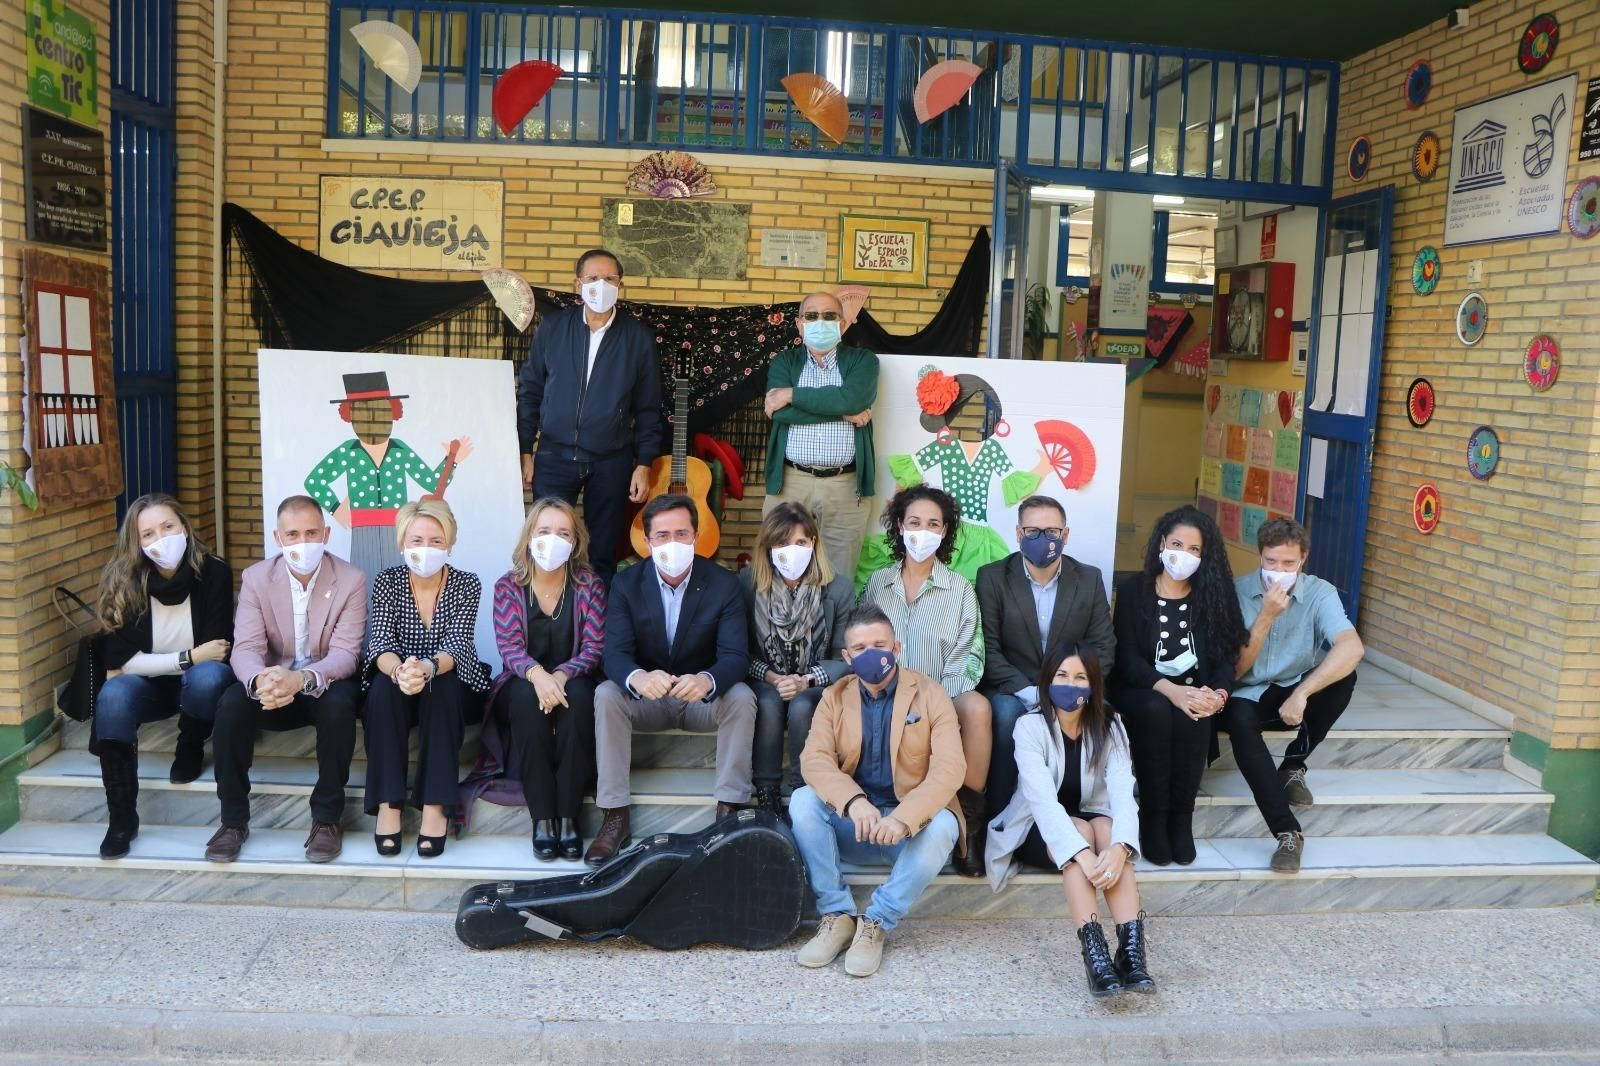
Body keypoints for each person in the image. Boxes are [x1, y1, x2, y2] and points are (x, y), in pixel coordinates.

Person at [790, 603, 965, 978]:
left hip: (908, 833)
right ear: (847, 657)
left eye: (879, 645)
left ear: (896, 648)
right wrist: (854, 803)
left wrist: (903, 819)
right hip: (857, 826)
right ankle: (836, 914)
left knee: (945, 825)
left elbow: (950, 769)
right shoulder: (834, 697)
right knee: (804, 801)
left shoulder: (931, 695)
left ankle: (877, 922)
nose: (871, 655)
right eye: (860, 648)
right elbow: (814, 760)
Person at [589, 494, 756, 866]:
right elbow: (613, 652)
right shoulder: (626, 584)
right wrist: (637, 677)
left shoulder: (723, 584)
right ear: (647, 541)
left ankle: (728, 810)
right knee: (606, 693)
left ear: (697, 535)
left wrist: (708, 680)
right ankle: (615, 816)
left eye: (682, 533)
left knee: (742, 696)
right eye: (662, 535)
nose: (673, 543)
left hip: (700, 702)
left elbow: (735, 656)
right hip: (648, 699)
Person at [206, 496, 367, 864]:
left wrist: (302, 680)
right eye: (292, 534)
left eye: (311, 532)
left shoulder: (351, 579)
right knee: (231, 705)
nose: (302, 542)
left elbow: (345, 653)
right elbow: (245, 648)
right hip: (272, 685)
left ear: (326, 533)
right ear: (278, 539)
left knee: (342, 704)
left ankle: (327, 819)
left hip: (322, 683)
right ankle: (233, 822)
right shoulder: (256, 578)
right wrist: (262, 681)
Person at [986, 643, 1151, 998]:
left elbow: (1124, 791)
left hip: (1093, 823)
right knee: (1080, 832)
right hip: (1035, 829)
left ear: (1093, 686)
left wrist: (1121, 847)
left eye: (1080, 677)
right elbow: (1043, 803)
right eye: (1061, 676)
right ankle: (1096, 957)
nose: (1070, 684)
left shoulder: (1111, 724)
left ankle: (1131, 952)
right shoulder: (1029, 726)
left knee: (1106, 830)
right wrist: (1083, 853)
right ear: (1047, 681)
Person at [1218, 518, 1364, 875]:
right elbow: (1235, 670)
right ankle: (1287, 832)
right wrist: (1266, 616)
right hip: (1247, 691)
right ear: (1260, 557)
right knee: (1238, 721)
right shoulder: (1236, 592)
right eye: (1271, 562)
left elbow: (1351, 647)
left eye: (1288, 563)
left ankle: (1294, 765)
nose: (1279, 571)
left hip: (1291, 686)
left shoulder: (1319, 592)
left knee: (1344, 678)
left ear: (1304, 560)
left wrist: (1302, 693)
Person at [93, 493, 234, 859]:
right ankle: (122, 818)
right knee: (114, 694)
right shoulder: (124, 581)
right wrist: (188, 657)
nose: (161, 539)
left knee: (208, 677)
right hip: (147, 688)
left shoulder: (213, 571)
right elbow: (119, 664)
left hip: (196, 682)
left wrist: (187, 661)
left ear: (184, 527)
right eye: (149, 534)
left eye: (168, 527)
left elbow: (218, 649)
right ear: (136, 543)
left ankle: (189, 746)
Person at [861, 485, 990, 876]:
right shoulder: (876, 586)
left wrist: (929, 700)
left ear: (945, 531)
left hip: (940, 700)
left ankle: (969, 824)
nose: (923, 531)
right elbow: (863, 648)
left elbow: (970, 658)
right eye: (915, 522)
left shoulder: (961, 591)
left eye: (934, 523)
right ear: (900, 526)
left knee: (979, 707)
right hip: (882, 695)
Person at [517, 248, 663, 583]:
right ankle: (547, 622)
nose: (601, 285)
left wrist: (644, 462)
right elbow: (530, 391)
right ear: (578, 284)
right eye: (593, 278)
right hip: (553, 455)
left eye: (610, 279)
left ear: (620, 285)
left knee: (602, 552)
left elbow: (648, 406)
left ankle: (599, 630)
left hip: (611, 460)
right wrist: (525, 450)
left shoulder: (637, 337)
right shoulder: (554, 328)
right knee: (547, 546)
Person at [1110, 505, 1244, 868]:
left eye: (1194, 549)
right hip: (1141, 688)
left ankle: (1181, 820)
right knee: (1157, 709)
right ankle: (1153, 817)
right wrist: (1171, 691)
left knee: (1192, 715)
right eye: (1176, 544)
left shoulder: (1214, 594)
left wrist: (1217, 697)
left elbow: (1224, 660)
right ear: (1160, 545)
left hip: (1195, 690)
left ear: (1205, 556)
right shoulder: (1133, 590)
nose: (1182, 555)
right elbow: (1127, 659)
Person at [362, 499, 489, 859]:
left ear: (449, 543)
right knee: (382, 692)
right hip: (397, 677)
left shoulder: (467, 583)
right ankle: (389, 804)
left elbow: (459, 642)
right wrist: (400, 670)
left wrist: (427, 668)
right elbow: (381, 641)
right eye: (417, 540)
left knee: (442, 688)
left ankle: (435, 806)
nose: (426, 549)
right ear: (402, 543)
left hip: (449, 677)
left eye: (436, 541)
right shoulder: (387, 581)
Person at [977, 495, 1115, 819]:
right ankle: (996, 820)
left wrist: (1073, 686)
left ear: (1065, 536)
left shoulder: (1089, 579)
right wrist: (1035, 694)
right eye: (1033, 531)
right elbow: (987, 649)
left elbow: (1103, 647)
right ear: (1018, 534)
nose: (1043, 539)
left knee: (1105, 716)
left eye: (1052, 532)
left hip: (1069, 684)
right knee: (1007, 716)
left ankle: (1076, 816)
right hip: (1013, 686)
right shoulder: (993, 577)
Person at [488, 498, 606, 861]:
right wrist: (538, 676)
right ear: (529, 537)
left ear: (575, 542)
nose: (552, 539)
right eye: (544, 531)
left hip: (574, 677)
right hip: (523, 680)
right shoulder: (509, 585)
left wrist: (559, 676)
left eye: (563, 532)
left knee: (582, 699)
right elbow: (508, 646)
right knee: (525, 699)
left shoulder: (589, 584)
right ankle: (543, 818)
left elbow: (594, 646)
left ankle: (569, 816)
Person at [305, 371, 474, 582]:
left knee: (399, 585)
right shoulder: (348, 451)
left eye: (380, 411)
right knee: (363, 583)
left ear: (391, 412)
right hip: (362, 529)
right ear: (351, 416)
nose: (373, 419)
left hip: (398, 529)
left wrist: (452, 459)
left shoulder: (399, 450)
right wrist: (335, 507)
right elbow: (314, 481)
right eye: (364, 413)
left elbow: (432, 483)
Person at [738, 502, 854, 809]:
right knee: (768, 701)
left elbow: (845, 655)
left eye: (800, 542)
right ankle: (767, 792)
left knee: (803, 704)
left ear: (813, 543)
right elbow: (739, 650)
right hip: (765, 678)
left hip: (816, 682)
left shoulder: (838, 588)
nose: (792, 551)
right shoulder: (748, 585)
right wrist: (774, 678)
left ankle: (805, 789)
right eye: (782, 543)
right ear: (769, 547)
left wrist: (806, 680)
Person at [762, 291, 878, 581]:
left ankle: (832, 629)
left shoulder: (863, 361)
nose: (820, 321)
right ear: (799, 324)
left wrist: (793, 395)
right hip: (790, 483)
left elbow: (852, 400)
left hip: (845, 486)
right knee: (779, 572)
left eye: (829, 316)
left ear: (842, 323)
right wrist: (842, 411)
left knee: (838, 577)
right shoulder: (784, 362)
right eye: (811, 316)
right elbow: (779, 414)